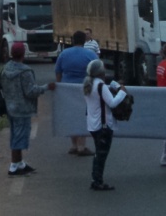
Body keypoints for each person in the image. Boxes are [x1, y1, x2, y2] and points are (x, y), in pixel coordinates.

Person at [0, 42, 55, 176]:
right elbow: (30, 91)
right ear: (23, 54)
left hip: (10, 106)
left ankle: (20, 163)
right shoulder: (25, 71)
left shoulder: (5, 69)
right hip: (22, 108)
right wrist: (46, 87)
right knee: (20, 136)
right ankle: (13, 166)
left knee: (15, 134)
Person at [83, 58, 128, 191]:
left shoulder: (88, 84)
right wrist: (122, 91)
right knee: (101, 154)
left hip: (93, 124)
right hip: (103, 125)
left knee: (99, 153)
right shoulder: (100, 86)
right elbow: (113, 103)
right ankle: (97, 181)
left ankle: (96, 179)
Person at [55, 30, 99, 156]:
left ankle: (73, 145)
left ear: (73, 40)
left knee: (71, 116)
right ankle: (81, 146)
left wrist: (60, 86)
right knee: (84, 116)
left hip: (67, 88)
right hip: (85, 89)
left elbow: (58, 71)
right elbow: (98, 70)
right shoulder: (90, 55)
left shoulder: (64, 54)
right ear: (84, 40)